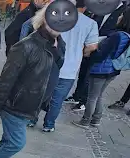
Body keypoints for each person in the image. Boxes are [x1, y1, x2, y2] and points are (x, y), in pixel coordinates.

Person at [0, 8, 65, 158]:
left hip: (30, 105)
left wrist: (58, 45)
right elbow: (5, 80)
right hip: (15, 105)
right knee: (16, 142)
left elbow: (55, 68)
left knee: (8, 140)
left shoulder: (56, 44)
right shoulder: (25, 46)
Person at [21, 3, 99, 132]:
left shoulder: (56, 14)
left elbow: (34, 28)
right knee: (57, 100)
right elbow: (92, 47)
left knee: (39, 93)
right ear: (85, 7)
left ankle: (31, 119)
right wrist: (82, 52)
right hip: (70, 68)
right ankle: (49, 125)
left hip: (48, 62)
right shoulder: (90, 23)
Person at [73, 8, 130, 128]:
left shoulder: (117, 35)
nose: (119, 17)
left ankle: (85, 120)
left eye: (121, 15)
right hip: (113, 70)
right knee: (98, 95)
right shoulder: (127, 36)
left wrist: (91, 53)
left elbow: (101, 54)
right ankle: (96, 119)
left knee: (92, 97)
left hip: (101, 69)